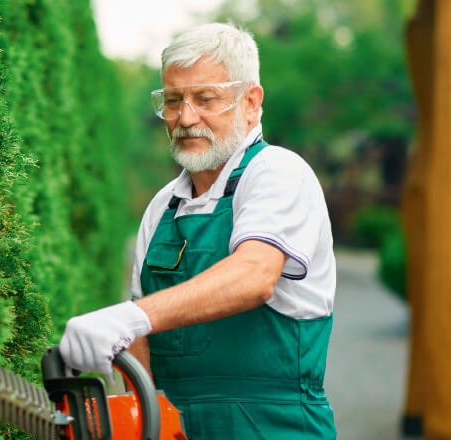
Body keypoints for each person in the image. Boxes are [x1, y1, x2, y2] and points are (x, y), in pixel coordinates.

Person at [58, 23, 337, 438]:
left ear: (251, 102)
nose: (186, 118)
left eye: (206, 99)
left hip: (273, 427)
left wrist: (129, 317)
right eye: (173, 101)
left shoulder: (278, 172)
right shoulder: (161, 209)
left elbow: (255, 275)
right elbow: (142, 348)